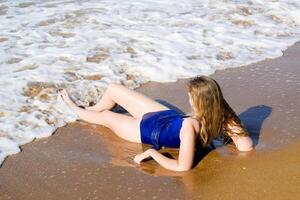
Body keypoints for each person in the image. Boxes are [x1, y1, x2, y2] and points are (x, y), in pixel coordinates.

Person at [58, 75, 253, 172]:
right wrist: (230, 133)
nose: (189, 100)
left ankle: (74, 108)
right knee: (114, 89)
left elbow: (182, 167)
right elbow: (246, 147)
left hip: (147, 130)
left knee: (107, 118)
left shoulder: (190, 127)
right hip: (167, 117)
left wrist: (152, 153)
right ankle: (91, 108)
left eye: (191, 97)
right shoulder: (225, 117)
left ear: (200, 101)